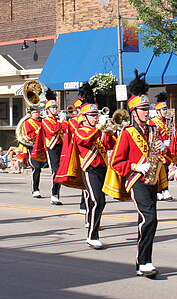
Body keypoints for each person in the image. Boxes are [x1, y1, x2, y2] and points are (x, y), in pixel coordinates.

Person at [106, 70, 170, 279]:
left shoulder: (153, 130)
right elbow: (116, 162)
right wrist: (135, 166)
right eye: (142, 109)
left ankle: (144, 261)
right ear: (133, 112)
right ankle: (143, 262)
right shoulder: (127, 133)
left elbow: (162, 155)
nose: (146, 112)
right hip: (137, 180)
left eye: (147, 108)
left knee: (152, 220)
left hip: (152, 179)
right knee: (148, 218)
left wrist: (163, 148)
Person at [60, 100, 116, 249]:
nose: (96, 118)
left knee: (95, 202)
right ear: (84, 117)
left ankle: (90, 225)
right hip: (89, 169)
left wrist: (112, 131)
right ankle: (92, 235)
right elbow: (85, 140)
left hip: (102, 169)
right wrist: (99, 128)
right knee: (98, 201)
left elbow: (111, 145)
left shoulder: (98, 130)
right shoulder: (80, 130)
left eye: (96, 115)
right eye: (92, 115)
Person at [31, 98, 65, 205]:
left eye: (56, 107)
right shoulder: (45, 121)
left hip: (62, 147)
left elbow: (66, 129)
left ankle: (56, 194)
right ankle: (54, 195)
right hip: (52, 148)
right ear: (48, 110)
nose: (55, 109)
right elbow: (52, 131)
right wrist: (61, 121)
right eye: (53, 108)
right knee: (56, 170)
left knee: (61, 171)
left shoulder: (58, 119)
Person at [150, 92, 174, 201]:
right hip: (157, 148)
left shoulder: (167, 122)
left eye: (166, 109)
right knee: (158, 170)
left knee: (166, 169)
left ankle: (165, 189)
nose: (165, 112)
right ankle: (159, 191)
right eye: (163, 110)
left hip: (166, 148)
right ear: (158, 111)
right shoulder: (154, 122)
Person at [20, 106, 47, 198]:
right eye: (35, 112)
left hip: (44, 146)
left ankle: (55, 193)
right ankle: (35, 189)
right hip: (34, 146)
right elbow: (28, 136)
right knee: (36, 168)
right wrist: (38, 132)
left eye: (38, 112)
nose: (38, 114)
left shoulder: (42, 121)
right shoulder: (27, 123)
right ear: (31, 113)